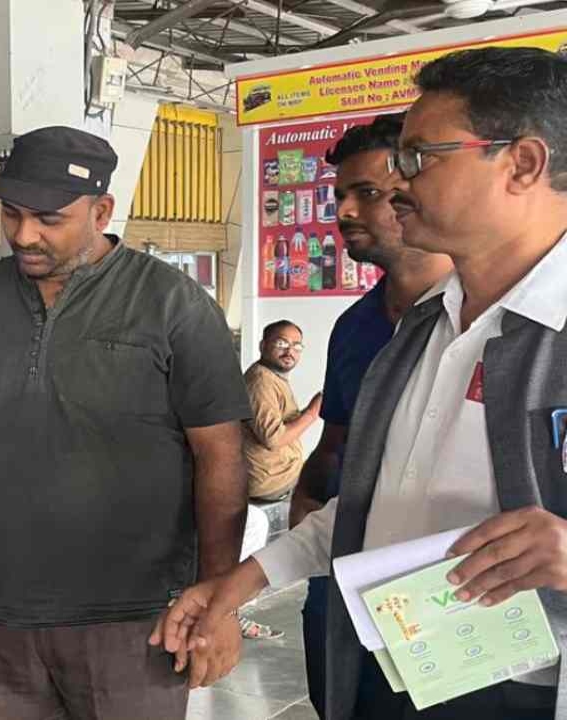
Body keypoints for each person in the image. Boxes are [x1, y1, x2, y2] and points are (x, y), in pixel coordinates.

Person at [160, 46, 567, 720]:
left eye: (420, 157)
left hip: (523, 690)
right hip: (392, 666)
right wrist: (243, 581)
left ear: (522, 164)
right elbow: (371, 511)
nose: (401, 183)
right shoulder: (420, 330)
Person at [0, 126, 252, 719]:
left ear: (101, 211)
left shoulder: (172, 304)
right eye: (12, 213)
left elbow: (221, 457)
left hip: (132, 620)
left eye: (49, 218)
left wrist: (219, 601)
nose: (24, 235)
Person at [288, 112, 453, 720]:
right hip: (345, 579)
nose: (345, 212)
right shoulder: (354, 327)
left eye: (367, 193)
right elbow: (335, 445)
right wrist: (307, 514)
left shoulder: (489, 322)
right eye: (340, 196)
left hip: (447, 594)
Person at [243, 320, 321, 502]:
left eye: (296, 346)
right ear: (263, 346)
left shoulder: (272, 377)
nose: (289, 352)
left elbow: (283, 423)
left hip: (281, 471)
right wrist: (312, 412)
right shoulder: (260, 382)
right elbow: (274, 439)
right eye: (281, 343)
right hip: (271, 480)